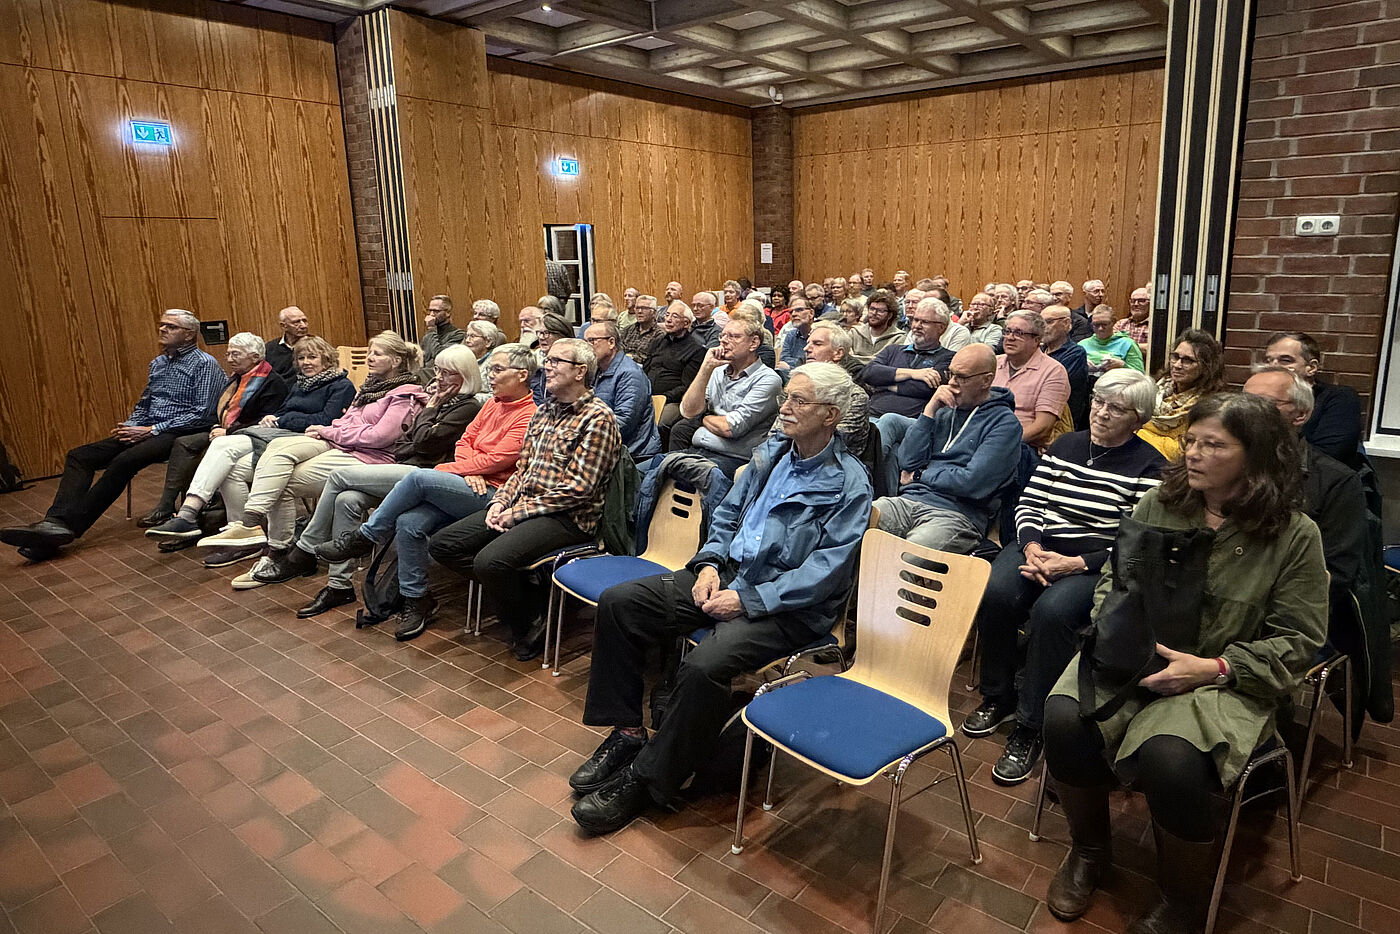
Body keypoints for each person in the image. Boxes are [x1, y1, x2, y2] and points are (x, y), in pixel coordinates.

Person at [1042, 393, 1327, 934]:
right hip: (1135, 656)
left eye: (1212, 445)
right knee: (1063, 717)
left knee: (1169, 756)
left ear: (1256, 455)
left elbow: (1299, 641)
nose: (1192, 453)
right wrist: (1117, 632)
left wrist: (1214, 668)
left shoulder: (1293, 536)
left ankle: (1182, 898)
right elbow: (1114, 582)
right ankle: (1089, 851)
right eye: (1191, 440)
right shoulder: (1160, 504)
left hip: (1224, 677)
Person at [568, 363, 873, 835]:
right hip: (728, 574)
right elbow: (728, 513)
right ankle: (628, 734)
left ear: (830, 415)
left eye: (798, 401)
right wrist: (709, 564)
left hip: (788, 608)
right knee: (621, 602)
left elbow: (824, 573)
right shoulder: (772, 453)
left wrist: (747, 600)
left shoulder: (848, 483)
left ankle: (649, 779)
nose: (784, 408)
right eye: (785, 397)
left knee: (706, 665)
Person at [964, 370, 1166, 786]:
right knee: (997, 592)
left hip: (1093, 562)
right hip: (1038, 545)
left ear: (1139, 418)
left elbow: (1135, 541)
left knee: (1053, 612)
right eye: (1098, 401)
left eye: (1116, 408)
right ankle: (997, 694)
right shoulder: (1067, 444)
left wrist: (1074, 565)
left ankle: (1031, 724)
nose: (1102, 413)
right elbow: (1031, 499)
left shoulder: (1151, 466)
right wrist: (1033, 546)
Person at [309, 346, 538, 638]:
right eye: (489, 369)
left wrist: (450, 470)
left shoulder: (530, 414)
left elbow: (500, 460)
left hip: (495, 495)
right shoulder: (493, 403)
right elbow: (465, 441)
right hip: (469, 481)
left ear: (522, 375)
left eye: (496, 369)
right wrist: (469, 469)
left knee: (418, 479)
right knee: (409, 523)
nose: (489, 375)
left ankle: (367, 536)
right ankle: (417, 600)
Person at [238, 345, 483, 610]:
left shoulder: (466, 406)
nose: (439, 379)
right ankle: (339, 585)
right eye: (437, 371)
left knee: (340, 476)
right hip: (402, 467)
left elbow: (424, 444)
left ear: (465, 375)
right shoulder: (409, 397)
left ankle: (305, 549)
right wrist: (424, 424)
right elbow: (405, 443)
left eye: (448, 373)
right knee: (346, 499)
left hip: (428, 476)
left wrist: (430, 410)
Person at [428, 338, 621, 660]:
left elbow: (578, 489)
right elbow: (522, 470)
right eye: (547, 359)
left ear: (580, 372)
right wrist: (500, 503)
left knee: (490, 562)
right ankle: (537, 599)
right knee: (444, 544)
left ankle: (528, 625)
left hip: (569, 518)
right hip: (525, 506)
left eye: (557, 360)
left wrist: (518, 513)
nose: (547, 365)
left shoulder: (597, 418)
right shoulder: (544, 412)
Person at [195, 331, 425, 586]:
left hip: (370, 459)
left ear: (395, 361)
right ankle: (272, 544)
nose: (369, 357)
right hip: (343, 447)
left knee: (278, 479)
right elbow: (345, 420)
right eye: (369, 352)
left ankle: (271, 545)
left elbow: (378, 437)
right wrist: (337, 430)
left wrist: (331, 431)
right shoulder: (369, 388)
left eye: (376, 353)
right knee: (276, 460)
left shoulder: (405, 395)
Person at [2, 310, 225, 561]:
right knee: (79, 456)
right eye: (161, 325)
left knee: (124, 461)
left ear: (188, 336)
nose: (162, 329)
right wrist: (131, 426)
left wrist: (151, 430)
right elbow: (145, 404)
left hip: (178, 431)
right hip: (145, 429)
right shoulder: (158, 364)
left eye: (170, 327)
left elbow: (204, 414)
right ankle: (54, 523)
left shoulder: (204, 364)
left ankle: (67, 529)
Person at [145, 337, 354, 568]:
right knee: (230, 465)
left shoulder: (340, 385)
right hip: (276, 433)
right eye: (301, 357)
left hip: (304, 438)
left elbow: (326, 420)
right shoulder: (300, 384)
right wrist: (274, 418)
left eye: (312, 357)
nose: (305, 362)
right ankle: (241, 535)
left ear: (326, 358)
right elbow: (283, 411)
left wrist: (282, 419)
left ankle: (191, 515)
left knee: (223, 445)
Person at [875, 344, 1022, 551]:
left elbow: (971, 483)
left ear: (986, 380)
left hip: (956, 515)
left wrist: (919, 476)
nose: (952, 383)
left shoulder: (1005, 424)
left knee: (907, 557)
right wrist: (929, 411)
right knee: (853, 526)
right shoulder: (943, 410)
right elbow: (907, 461)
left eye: (961, 377)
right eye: (950, 374)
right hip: (908, 501)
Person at [139, 332, 289, 528]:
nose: (229, 359)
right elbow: (219, 409)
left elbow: (266, 422)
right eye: (228, 354)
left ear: (255, 357)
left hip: (251, 436)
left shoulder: (272, 382)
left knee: (216, 453)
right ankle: (171, 505)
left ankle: (200, 515)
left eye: (236, 354)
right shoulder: (236, 379)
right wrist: (217, 425)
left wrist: (229, 432)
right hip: (224, 431)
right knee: (184, 443)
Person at [670, 316, 782, 476]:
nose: (724, 341)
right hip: (699, 451)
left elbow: (730, 428)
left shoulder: (768, 380)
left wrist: (704, 417)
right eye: (722, 336)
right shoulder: (717, 371)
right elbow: (688, 411)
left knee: (667, 476)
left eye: (733, 336)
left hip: (731, 459)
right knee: (642, 471)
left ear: (754, 343)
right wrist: (705, 368)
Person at [1263, 330, 1363, 468]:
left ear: (1311, 367)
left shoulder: (1338, 398)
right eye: (1268, 360)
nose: (1273, 366)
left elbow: (1329, 454)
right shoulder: (1258, 394)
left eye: (1285, 360)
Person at [769, 322, 870, 457]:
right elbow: (775, 434)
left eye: (817, 344)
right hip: (783, 458)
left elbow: (827, 443)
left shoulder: (855, 396)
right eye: (807, 342)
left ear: (838, 353)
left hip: (831, 467)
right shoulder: (794, 388)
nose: (806, 348)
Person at [1137, 329, 1226, 460]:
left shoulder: (1210, 406)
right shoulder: (1156, 389)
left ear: (1206, 367)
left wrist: (1140, 436)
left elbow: (1180, 452)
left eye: (1188, 360)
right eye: (1175, 357)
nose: (1177, 365)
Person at [862, 297, 955, 419]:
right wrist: (913, 374)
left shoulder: (949, 358)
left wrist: (884, 385)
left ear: (941, 328)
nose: (917, 326)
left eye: (925, 322)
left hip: (910, 422)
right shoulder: (893, 350)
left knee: (889, 420)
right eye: (915, 320)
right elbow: (869, 373)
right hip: (872, 416)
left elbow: (926, 388)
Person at [995, 311, 1071, 451]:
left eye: (1019, 333)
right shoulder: (992, 363)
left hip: (1022, 446)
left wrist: (1001, 444)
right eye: (1008, 331)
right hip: (980, 436)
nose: (1010, 338)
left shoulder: (1053, 371)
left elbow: (1042, 427)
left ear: (1037, 340)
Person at [585, 320, 661, 459]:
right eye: (586, 342)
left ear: (611, 342)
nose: (587, 347)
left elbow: (624, 423)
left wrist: (583, 431)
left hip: (633, 454)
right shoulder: (595, 370)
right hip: (604, 446)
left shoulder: (630, 374)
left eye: (592, 341)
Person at [645, 302, 706, 433]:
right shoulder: (657, 342)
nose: (668, 319)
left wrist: (662, 397)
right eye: (667, 315)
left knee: (660, 424)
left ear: (686, 323)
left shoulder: (696, 350)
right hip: (648, 395)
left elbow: (687, 386)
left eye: (675, 316)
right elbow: (645, 370)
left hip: (672, 401)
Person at [1040, 305, 1090, 430]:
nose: (1043, 328)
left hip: (1061, 422)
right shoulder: (1039, 350)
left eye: (1049, 322)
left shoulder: (1076, 353)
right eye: (1040, 323)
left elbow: (1050, 385)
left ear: (1066, 323)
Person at [1080, 305, 1145, 374]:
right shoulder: (1082, 345)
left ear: (1113, 322)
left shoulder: (1127, 344)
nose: (1100, 328)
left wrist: (1122, 365)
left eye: (1105, 324)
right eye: (1096, 324)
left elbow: (1140, 375)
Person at [849, 289, 905, 364]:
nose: (874, 313)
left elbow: (890, 364)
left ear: (890, 315)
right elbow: (846, 359)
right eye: (872, 309)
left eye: (880, 311)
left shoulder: (898, 338)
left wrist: (856, 358)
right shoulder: (854, 333)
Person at [530, 314, 575, 404]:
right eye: (539, 333)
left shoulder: (573, 363)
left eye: (546, 333)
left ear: (562, 335)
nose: (541, 337)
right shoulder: (540, 364)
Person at [263, 306, 310, 381]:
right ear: (283, 326)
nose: (303, 326)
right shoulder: (269, 349)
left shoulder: (316, 346)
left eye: (305, 321)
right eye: (296, 322)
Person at [420, 295, 464, 368]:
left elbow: (440, 356)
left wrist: (431, 328)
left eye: (436, 311)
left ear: (448, 313)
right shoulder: (429, 334)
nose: (432, 314)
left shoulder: (458, 335)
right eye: (430, 310)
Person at [619, 293, 662, 366]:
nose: (639, 311)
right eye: (637, 308)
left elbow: (650, 360)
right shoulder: (627, 330)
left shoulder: (659, 335)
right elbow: (619, 351)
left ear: (654, 313)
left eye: (644, 308)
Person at [777, 300, 814, 372]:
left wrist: (791, 367)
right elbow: (783, 360)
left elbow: (815, 364)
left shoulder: (819, 334)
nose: (793, 314)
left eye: (799, 310)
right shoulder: (791, 334)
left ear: (811, 313)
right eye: (791, 312)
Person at [1115, 287, 1151, 354]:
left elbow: (1152, 349)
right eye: (1133, 301)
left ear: (1151, 303)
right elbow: (1112, 344)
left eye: (1141, 301)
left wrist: (1124, 345)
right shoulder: (1120, 324)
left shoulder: (1155, 326)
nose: (1136, 304)